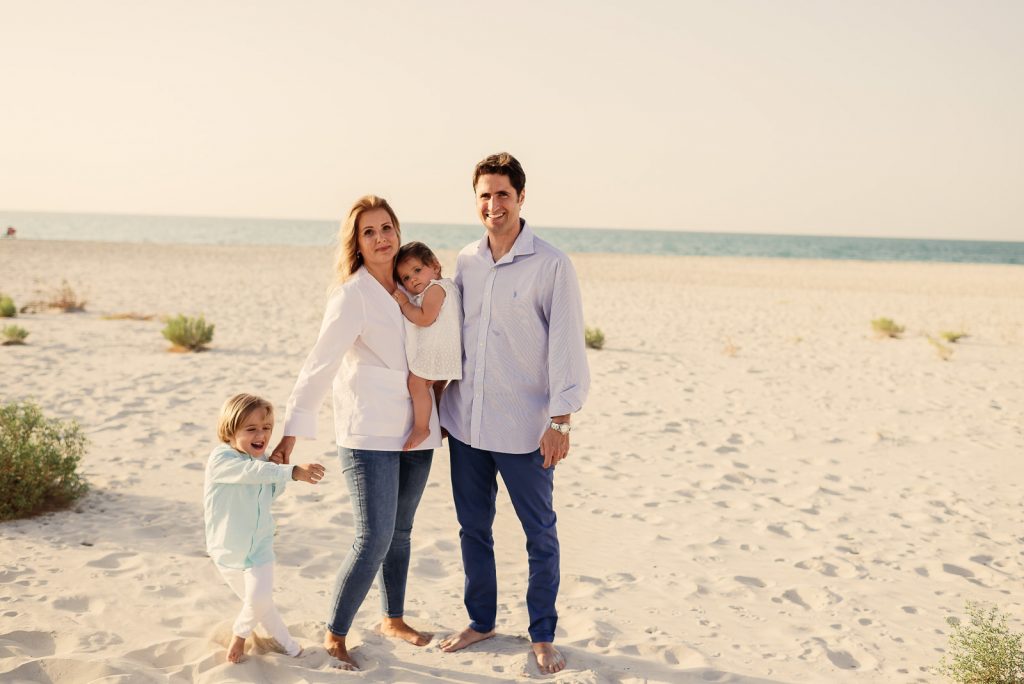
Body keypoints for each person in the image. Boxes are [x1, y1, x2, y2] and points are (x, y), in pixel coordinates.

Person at [270, 195, 442, 671]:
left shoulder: (414, 287)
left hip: (420, 431)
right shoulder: (352, 294)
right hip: (369, 432)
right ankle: (336, 632)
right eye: (370, 232)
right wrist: (292, 431)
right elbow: (319, 364)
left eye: (387, 227)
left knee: (401, 533)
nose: (382, 237)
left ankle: (392, 619)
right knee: (372, 538)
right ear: (358, 243)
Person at [438, 153, 590, 674]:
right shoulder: (465, 260)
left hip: (527, 429)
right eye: (484, 194)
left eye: (503, 194)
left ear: (521, 198)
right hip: (465, 423)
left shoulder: (552, 263)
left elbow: (567, 345)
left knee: (539, 533)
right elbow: (449, 334)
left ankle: (542, 633)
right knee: (472, 529)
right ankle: (481, 621)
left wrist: (561, 420)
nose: (493, 204)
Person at [203, 393, 325, 664]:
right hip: (229, 548)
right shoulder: (221, 459)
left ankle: (245, 637)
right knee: (260, 604)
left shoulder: (263, 460)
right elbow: (251, 475)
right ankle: (290, 647)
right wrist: (291, 471)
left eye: (267, 428)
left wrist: (278, 466)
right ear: (229, 430)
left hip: (260, 545)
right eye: (251, 429)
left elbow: (270, 490)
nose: (262, 435)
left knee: (259, 600)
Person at [391, 241, 462, 452]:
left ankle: (422, 427)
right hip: (449, 349)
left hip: (438, 350)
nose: (412, 279)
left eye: (417, 270)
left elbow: (424, 319)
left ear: (435, 265)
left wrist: (405, 303)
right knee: (437, 388)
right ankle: (441, 421)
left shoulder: (435, 289)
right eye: (405, 277)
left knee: (416, 382)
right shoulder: (447, 287)